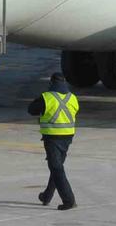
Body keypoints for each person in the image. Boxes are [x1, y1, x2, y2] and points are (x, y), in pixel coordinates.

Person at [28, 71, 80, 210]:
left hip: (53, 137)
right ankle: (47, 196)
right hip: (68, 136)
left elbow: (31, 109)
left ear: (51, 83)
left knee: (56, 168)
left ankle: (69, 200)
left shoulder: (47, 97)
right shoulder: (73, 98)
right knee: (57, 167)